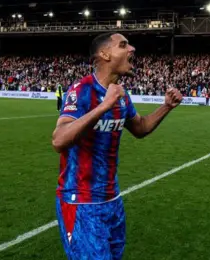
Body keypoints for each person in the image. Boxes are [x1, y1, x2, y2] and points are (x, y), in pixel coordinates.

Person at [51, 33, 183, 260]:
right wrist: (104, 106)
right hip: (81, 201)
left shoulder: (121, 95)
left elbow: (140, 127)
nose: (132, 49)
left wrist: (166, 107)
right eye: (123, 45)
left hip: (112, 200)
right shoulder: (81, 90)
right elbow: (58, 140)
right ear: (104, 54)